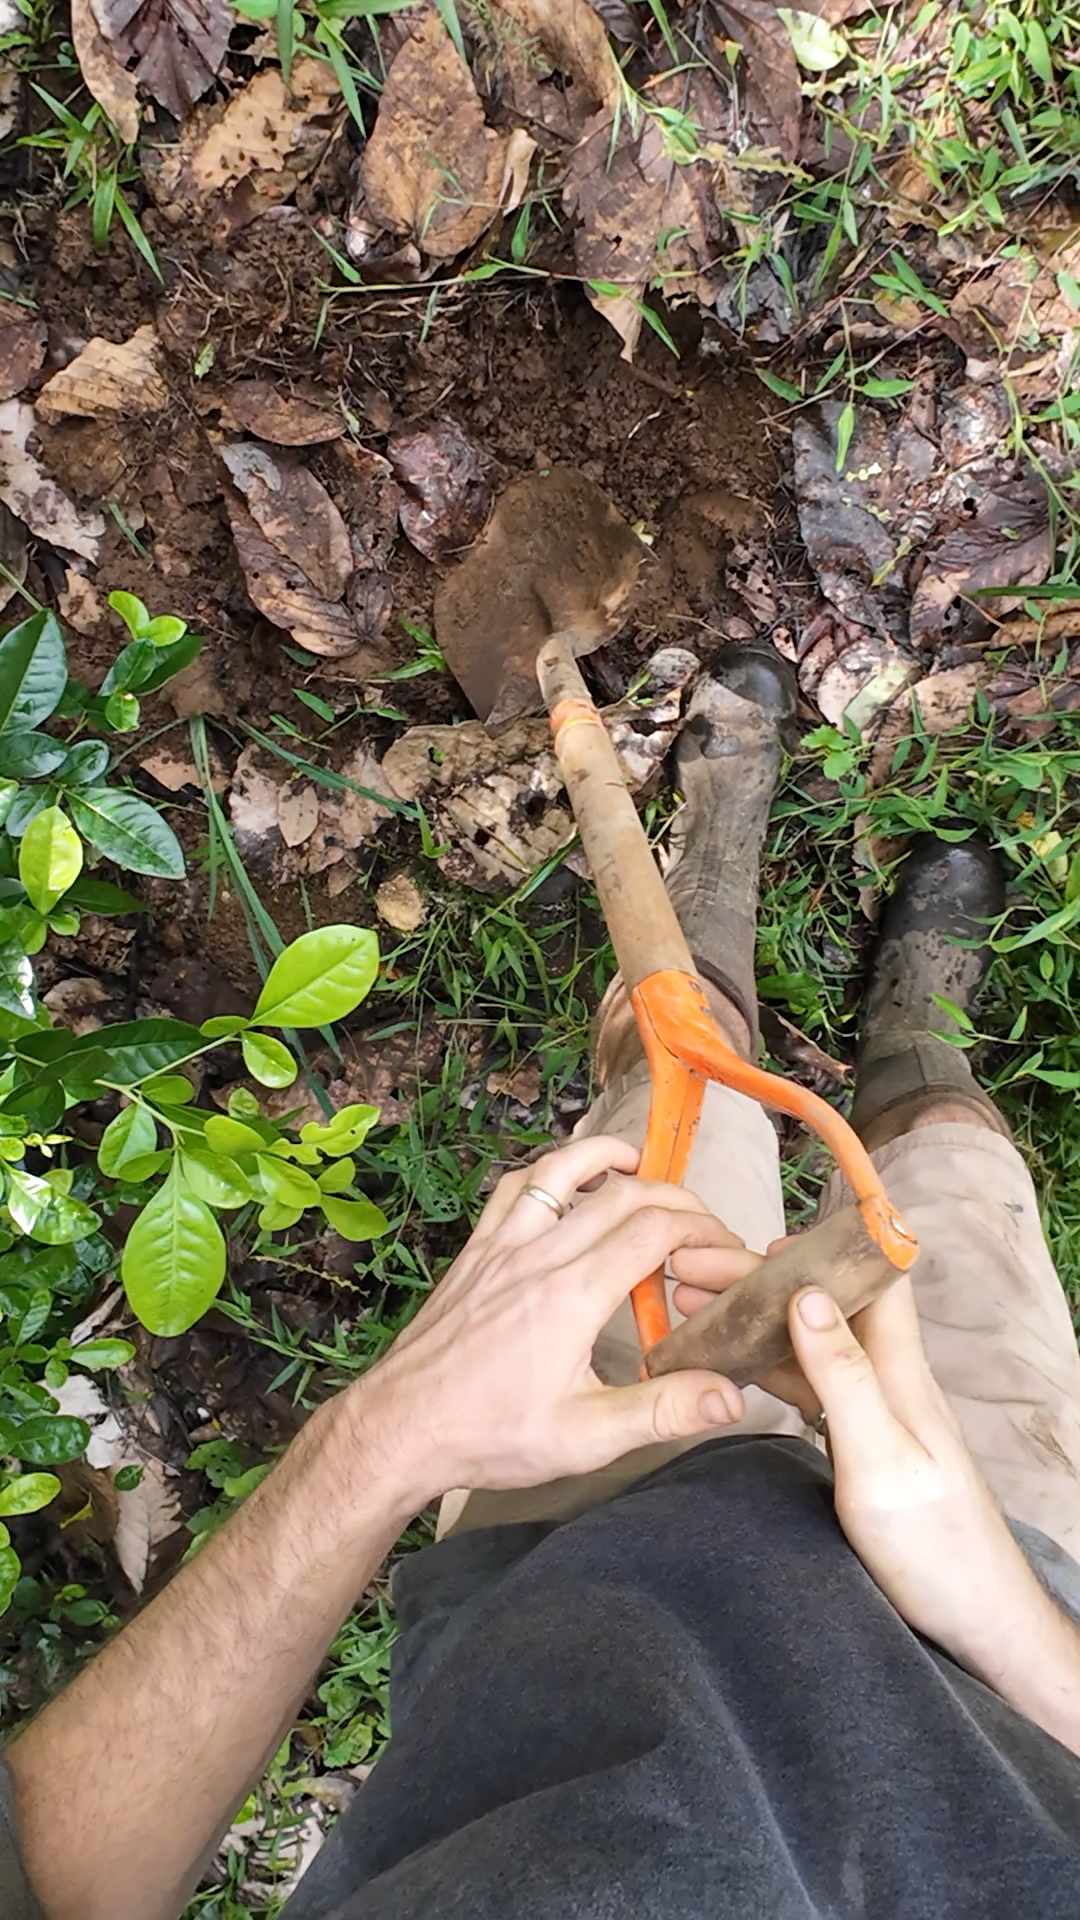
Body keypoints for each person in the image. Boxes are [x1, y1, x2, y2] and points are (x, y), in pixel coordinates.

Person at [4, 648, 1080, 1920]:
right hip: (1008, 1601)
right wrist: (1012, 1623)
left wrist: (377, 1442)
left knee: (665, 1104)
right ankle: (912, 1040)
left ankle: (703, 936)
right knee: (964, 1202)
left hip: (571, 1563)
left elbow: (42, 1880)